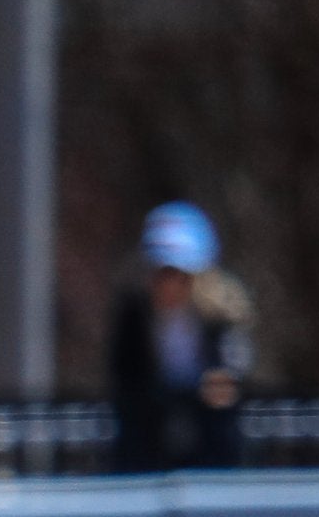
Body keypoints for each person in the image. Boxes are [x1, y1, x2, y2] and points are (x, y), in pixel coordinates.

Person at [108, 202, 255, 476]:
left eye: (178, 274)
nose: (168, 283)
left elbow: (232, 378)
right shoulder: (133, 316)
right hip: (148, 444)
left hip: (210, 445)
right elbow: (124, 380)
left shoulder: (220, 318)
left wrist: (213, 388)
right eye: (160, 272)